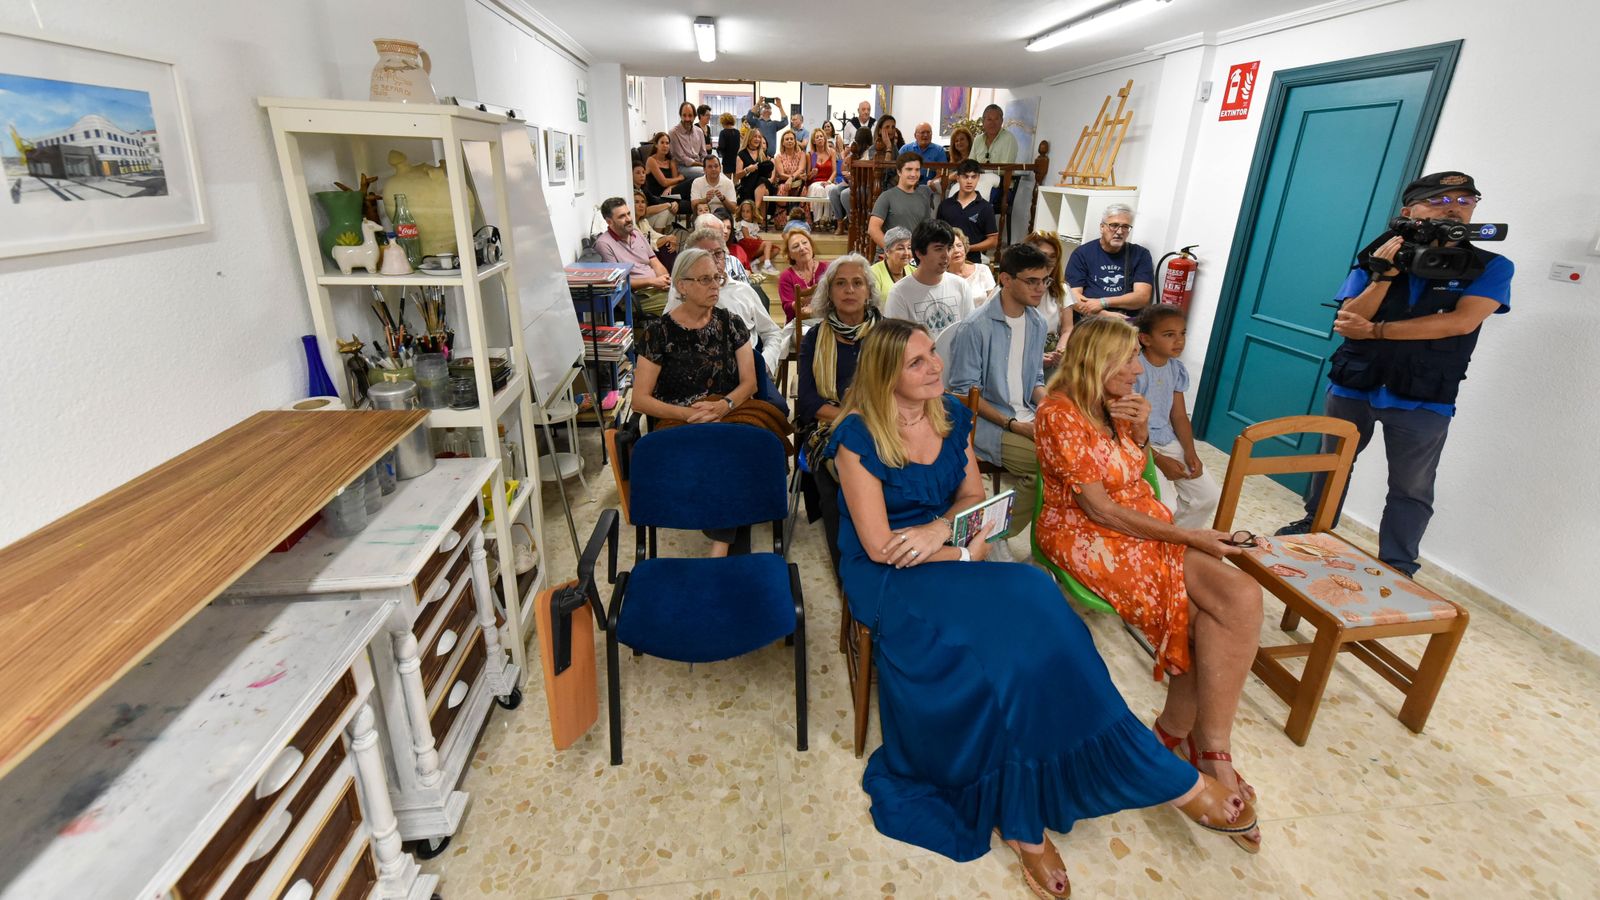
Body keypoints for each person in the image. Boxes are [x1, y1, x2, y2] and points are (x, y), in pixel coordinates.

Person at [824, 319, 1261, 889]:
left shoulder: (949, 413)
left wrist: (950, 534)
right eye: (918, 362)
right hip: (892, 574)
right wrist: (960, 547)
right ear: (886, 375)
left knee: (1048, 614)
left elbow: (974, 497)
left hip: (948, 551)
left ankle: (1132, 757)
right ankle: (1022, 819)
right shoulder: (858, 435)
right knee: (995, 662)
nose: (935, 366)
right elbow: (883, 546)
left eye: (932, 352)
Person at [1034, 315, 1265, 820]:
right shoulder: (1059, 412)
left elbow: (1133, 468)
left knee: (1241, 595)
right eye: (1129, 360)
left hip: (1139, 521)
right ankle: (1191, 742)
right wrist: (1191, 536)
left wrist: (1139, 432)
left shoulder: (1115, 402)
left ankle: (1205, 743)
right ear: (1098, 361)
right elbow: (1100, 510)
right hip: (1087, 533)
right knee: (1202, 618)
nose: (1139, 370)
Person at [1276, 171, 1513, 576]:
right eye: (1440, 200)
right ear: (1409, 211)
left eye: (1466, 200)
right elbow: (1348, 318)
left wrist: (1376, 331)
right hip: (1355, 383)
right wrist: (1383, 277)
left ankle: (1398, 565)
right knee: (1332, 462)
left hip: (1425, 393)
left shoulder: (1491, 266)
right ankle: (1314, 528)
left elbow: (1461, 322)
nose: (1455, 208)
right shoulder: (1376, 255)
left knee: (1412, 486)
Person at [945, 243, 1052, 552]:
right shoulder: (975, 326)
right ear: (1005, 279)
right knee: (1045, 466)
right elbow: (964, 394)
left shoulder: (1037, 323)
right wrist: (1012, 424)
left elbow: (1035, 380)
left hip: (1026, 416)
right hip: (986, 425)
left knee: (1073, 458)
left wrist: (1050, 406)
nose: (1040, 288)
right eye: (1032, 281)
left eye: (1044, 280)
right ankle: (994, 537)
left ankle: (1049, 543)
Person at [796, 253, 881, 573]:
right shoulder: (815, 337)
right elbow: (807, 401)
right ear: (829, 292)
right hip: (828, 427)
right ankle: (849, 571)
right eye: (840, 284)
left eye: (857, 283)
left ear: (868, 291)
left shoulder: (887, 334)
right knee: (843, 478)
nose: (849, 290)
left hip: (884, 423)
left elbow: (900, 390)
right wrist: (852, 417)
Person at [665, 227, 785, 408]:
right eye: (704, 254)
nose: (713, 260)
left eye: (718, 253)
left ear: (726, 255)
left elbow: (772, 332)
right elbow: (668, 337)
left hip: (748, 369)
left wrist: (764, 364)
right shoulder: (681, 293)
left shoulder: (743, 291)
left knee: (777, 409)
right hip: (696, 373)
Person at [1135, 304, 1221, 529]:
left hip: (1166, 439)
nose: (1179, 341)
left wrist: (1190, 452)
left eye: (1182, 333)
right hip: (1137, 443)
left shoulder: (1176, 368)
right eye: (1169, 335)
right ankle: (1158, 540)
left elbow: (1179, 415)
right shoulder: (1134, 369)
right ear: (1145, 339)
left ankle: (1176, 541)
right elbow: (1126, 426)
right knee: (1165, 505)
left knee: (1207, 496)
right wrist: (1158, 460)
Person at [884, 220, 973, 341]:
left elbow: (969, 332)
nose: (946, 255)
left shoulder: (960, 285)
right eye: (938, 249)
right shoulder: (899, 293)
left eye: (949, 248)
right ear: (919, 252)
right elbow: (896, 343)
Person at [1065, 203, 1154, 321]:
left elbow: (1142, 297)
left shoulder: (1140, 254)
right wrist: (1103, 315)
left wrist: (1103, 302)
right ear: (1102, 227)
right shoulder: (1082, 253)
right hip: (1090, 320)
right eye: (1114, 225)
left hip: (1125, 323)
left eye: (1125, 226)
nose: (1120, 231)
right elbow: (1072, 297)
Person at [594, 196, 672, 317]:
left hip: (656, 289)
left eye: (628, 214)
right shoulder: (604, 244)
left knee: (692, 293)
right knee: (682, 303)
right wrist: (652, 281)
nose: (629, 219)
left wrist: (665, 280)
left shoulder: (636, 234)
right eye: (622, 216)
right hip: (636, 297)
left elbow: (654, 261)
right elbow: (617, 282)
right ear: (609, 222)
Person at [868, 153, 934, 250]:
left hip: (913, 255)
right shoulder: (886, 196)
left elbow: (926, 230)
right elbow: (873, 229)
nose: (913, 174)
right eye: (909, 169)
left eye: (917, 170)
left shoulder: (924, 198)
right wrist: (891, 250)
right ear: (899, 172)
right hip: (887, 256)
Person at [937, 159, 999, 261]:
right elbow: (937, 234)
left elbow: (993, 241)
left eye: (973, 177)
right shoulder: (945, 205)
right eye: (965, 176)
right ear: (958, 178)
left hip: (973, 261)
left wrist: (966, 248)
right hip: (947, 260)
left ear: (978, 178)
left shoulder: (985, 207)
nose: (969, 181)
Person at [1025, 231, 1071, 366]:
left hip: (1050, 353)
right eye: (1043, 255)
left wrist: (1060, 351)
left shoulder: (1062, 289)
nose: (1049, 262)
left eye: (1053, 257)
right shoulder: (1016, 286)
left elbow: (1067, 329)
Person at [828, 126, 875, 235]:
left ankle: (855, 224)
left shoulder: (871, 152)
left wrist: (852, 175)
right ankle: (840, 223)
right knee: (833, 191)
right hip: (853, 181)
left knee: (845, 194)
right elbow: (845, 168)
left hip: (865, 184)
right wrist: (846, 160)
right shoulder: (856, 151)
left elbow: (867, 173)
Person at [777, 228, 827, 323]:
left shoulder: (827, 269)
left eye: (804, 243)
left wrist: (815, 306)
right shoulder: (786, 276)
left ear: (811, 246)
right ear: (790, 255)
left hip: (826, 321)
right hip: (799, 324)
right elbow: (788, 308)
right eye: (796, 246)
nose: (802, 248)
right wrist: (800, 304)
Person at [644, 132, 687, 216]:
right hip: (656, 197)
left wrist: (670, 187)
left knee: (690, 195)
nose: (665, 146)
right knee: (690, 182)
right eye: (662, 143)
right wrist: (680, 178)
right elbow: (664, 182)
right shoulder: (651, 160)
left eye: (667, 143)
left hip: (669, 194)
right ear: (656, 145)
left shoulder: (671, 162)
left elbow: (675, 183)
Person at [633, 192, 679, 269]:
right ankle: (672, 272)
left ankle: (672, 272)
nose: (641, 205)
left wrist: (670, 238)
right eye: (636, 202)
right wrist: (666, 239)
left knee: (668, 244)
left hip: (648, 252)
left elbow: (655, 235)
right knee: (665, 245)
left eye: (643, 202)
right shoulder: (631, 225)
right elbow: (645, 246)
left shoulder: (643, 221)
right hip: (639, 256)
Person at [869, 226, 916, 300]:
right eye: (900, 248)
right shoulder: (873, 273)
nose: (906, 253)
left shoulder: (914, 272)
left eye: (909, 248)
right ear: (887, 251)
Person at [734, 200, 779, 274]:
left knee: (776, 250)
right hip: (745, 245)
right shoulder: (743, 223)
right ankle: (767, 265)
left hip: (752, 243)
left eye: (748, 212)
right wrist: (758, 240)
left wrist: (758, 238)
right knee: (768, 243)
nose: (745, 214)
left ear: (753, 212)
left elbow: (753, 234)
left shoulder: (754, 223)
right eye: (743, 211)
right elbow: (747, 237)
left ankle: (755, 263)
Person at [947, 230, 995, 298]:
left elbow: (993, 300)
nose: (956, 250)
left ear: (965, 248)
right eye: (950, 247)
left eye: (959, 245)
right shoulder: (942, 277)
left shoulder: (982, 270)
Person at [669, 101, 707, 184]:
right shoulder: (673, 133)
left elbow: (703, 153)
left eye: (690, 116)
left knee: (716, 169)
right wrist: (701, 165)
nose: (687, 119)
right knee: (707, 173)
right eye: (684, 115)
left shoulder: (699, 131)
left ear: (695, 117)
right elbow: (682, 158)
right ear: (680, 116)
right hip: (682, 167)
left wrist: (706, 163)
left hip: (699, 165)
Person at [735, 129, 774, 208]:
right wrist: (747, 170)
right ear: (749, 138)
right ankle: (755, 209)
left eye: (759, 137)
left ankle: (755, 209)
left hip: (761, 184)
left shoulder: (761, 153)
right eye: (755, 137)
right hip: (747, 185)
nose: (757, 139)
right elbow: (738, 175)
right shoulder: (742, 154)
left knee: (763, 181)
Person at [804, 130, 838, 219]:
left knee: (830, 189)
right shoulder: (810, 155)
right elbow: (808, 177)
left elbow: (834, 171)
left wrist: (829, 181)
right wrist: (812, 173)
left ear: (825, 138)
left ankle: (827, 218)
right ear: (814, 141)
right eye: (817, 137)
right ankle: (817, 219)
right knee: (819, 189)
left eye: (821, 136)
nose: (820, 138)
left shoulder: (832, 152)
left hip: (828, 181)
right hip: (815, 182)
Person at [633, 165, 676, 233]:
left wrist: (672, 203)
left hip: (645, 219)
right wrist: (667, 205)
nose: (642, 175)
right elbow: (645, 211)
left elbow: (655, 201)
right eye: (638, 173)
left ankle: (665, 235)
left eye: (643, 172)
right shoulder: (631, 192)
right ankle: (657, 238)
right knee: (665, 212)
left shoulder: (643, 189)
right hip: (638, 222)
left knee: (670, 210)